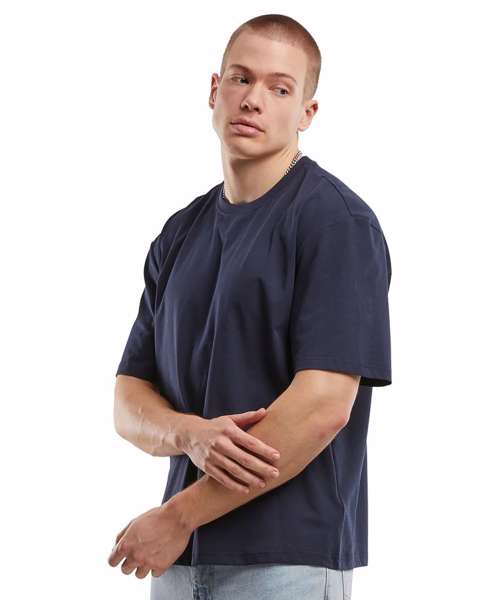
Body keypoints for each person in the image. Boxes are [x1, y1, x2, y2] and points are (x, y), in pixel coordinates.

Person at [108, 13, 392, 600]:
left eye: (280, 88)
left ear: (307, 113)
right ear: (215, 90)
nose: (253, 100)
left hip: (287, 560)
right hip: (179, 562)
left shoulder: (335, 223)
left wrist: (179, 515)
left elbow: (323, 406)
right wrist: (188, 433)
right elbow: (129, 398)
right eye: (241, 79)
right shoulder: (179, 234)